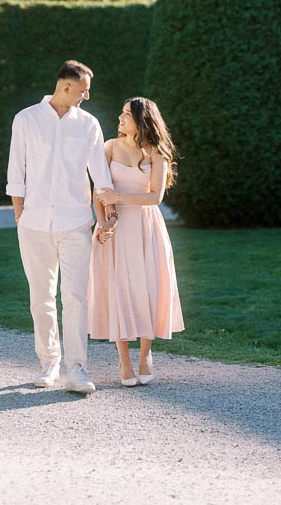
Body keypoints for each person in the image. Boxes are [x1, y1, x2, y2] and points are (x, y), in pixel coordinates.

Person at [6, 60, 115, 394]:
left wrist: (107, 215)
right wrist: (21, 216)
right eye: (83, 90)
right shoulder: (26, 119)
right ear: (66, 87)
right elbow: (16, 171)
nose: (86, 96)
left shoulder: (88, 125)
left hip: (75, 223)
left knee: (76, 296)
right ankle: (49, 361)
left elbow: (101, 176)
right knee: (41, 296)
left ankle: (77, 368)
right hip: (34, 224)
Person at [88, 97, 184, 386]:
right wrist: (103, 222)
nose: (120, 117)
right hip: (115, 227)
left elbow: (155, 197)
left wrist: (118, 197)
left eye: (127, 114)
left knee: (148, 288)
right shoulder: (109, 147)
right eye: (121, 112)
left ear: (142, 120)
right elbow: (99, 191)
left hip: (145, 227)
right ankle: (124, 359)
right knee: (118, 288)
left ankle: (145, 354)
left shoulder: (157, 153)